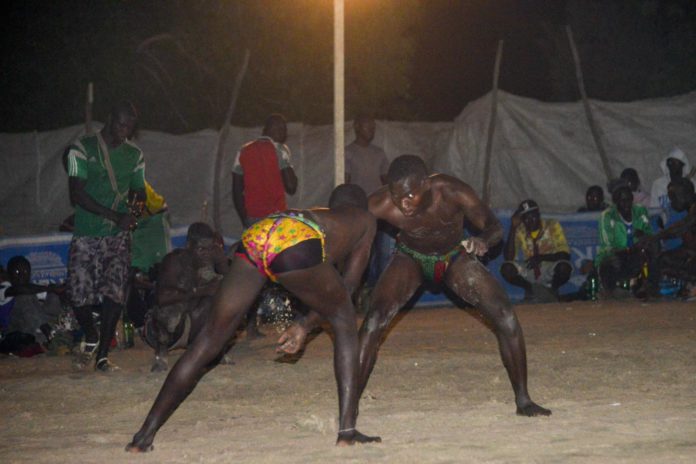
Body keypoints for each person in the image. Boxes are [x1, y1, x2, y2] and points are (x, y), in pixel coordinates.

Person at [281, 155, 550, 419]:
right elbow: (343, 218)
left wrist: (483, 240)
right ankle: (350, 412)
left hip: (453, 256)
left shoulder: (452, 191)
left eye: (410, 195)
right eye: (398, 196)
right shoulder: (384, 203)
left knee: (505, 316)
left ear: (426, 184)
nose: (404, 204)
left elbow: (493, 226)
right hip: (410, 258)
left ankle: (524, 399)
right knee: (374, 321)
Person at [126, 184, 381, 452]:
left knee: (208, 340)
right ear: (360, 206)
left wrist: (304, 324)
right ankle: (347, 431)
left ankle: (143, 436)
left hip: (257, 235)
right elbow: (349, 287)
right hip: (294, 240)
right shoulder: (365, 220)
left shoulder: (321, 214)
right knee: (345, 320)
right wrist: (304, 325)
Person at [65, 100, 146, 372]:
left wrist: (135, 211)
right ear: (109, 119)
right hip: (88, 231)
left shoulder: (135, 155)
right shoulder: (82, 149)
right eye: (121, 124)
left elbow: (139, 191)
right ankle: (90, 334)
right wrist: (114, 216)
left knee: (115, 293)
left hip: (118, 235)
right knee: (78, 294)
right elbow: (76, 194)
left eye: (130, 126)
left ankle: (102, 355)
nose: (125, 130)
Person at [143, 222, 231, 372]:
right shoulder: (174, 261)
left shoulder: (212, 257)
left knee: (221, 297)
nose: (205, 253)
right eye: (201, 249)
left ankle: (213, 350)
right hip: (167, 330)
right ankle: (161, 355)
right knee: (170, 309)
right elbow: (162, 298)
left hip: (194, 323)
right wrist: (201, 291)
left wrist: (221, 260)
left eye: (209, 249)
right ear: (189, 245)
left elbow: (232, 286)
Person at [345, 113, 392, 287]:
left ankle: (375, 289)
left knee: (381, 251)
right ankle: (355, 290)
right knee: (358, 252)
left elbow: (387, 181)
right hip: (359, 210)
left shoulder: (378, 153)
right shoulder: (348, 152)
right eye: (368, 126)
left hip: (379, 211)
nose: (371, 130)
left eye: (373, 127)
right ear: (357, 127)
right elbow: (345, 182)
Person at [596, 179, 659, 299]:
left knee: (652, 248)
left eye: (629, 199)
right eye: (622, 201)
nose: (626, 204)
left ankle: (649, 286)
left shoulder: (640, 211)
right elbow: (607, 245)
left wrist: (643, 235)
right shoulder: (608, 216)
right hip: (618, 254)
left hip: (635, 253)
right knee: (610, 260)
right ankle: (610, 290)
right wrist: (629, 250)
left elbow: (648, 233)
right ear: (615, 201)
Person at [232, 113, 298, 228]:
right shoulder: (280, 150)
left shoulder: (243, 151)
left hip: (252, 218)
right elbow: (291, 187)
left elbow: (236, 191)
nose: (285, 134)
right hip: (276, 219)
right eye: (283, 130)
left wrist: (245, 220)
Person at [501, 199, 572, 302]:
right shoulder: (520, 230)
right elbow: (508, 257)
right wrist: (513, 228)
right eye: (526, 218)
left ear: (538, 214)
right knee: (507, 268)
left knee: (564, 267)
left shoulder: (551, 225)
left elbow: (565, 255)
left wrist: (541, 258)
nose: (530, 221)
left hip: (549, 266)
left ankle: (552, 290)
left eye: (533, 216)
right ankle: (531, 290)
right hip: (530, 268)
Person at [1, 256, 65, 346]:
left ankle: (56, 329)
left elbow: (48, 292)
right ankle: (48, 332)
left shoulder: (31, 289)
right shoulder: (4, 289)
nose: (22, 275)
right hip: (17, 332)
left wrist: (60, 289)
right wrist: (50, 288)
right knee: (23, 297)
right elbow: (20, 290)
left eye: (26, 272)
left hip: (35, 325)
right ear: (9, 274)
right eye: (17, 272)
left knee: (53, 296)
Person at [650, 147, 695, 251]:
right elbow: (654, 214)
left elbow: (681, 228)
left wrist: (659, 236)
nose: (671, 203)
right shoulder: (658, 184)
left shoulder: (691, 185)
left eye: (676, 163)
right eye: (669, 163)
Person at [656, 178, 696, 290]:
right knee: (664, 259)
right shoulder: (688, 210)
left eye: (673, 197)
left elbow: (681, 227)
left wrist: (656, 237)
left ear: (686, 194)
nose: (671, 202)